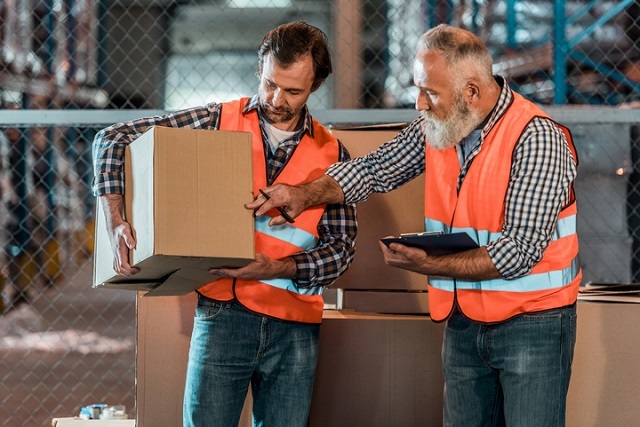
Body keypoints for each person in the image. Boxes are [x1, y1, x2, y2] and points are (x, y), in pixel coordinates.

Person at [251, 24, 581, 427]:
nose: (419, 104)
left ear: (471, 93)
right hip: (465, 319)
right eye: (417, 89)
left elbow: (519, 252)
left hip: (534, 323)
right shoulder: (442, 124)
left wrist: (428, 265)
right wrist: (302, 194)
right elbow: (375, 169)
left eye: (431, 93)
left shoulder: (537, 139)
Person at [92, 21, 357, 427]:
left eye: (293, 91)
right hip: (222, 314)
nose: (276, 99)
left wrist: (279, 268)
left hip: (295, 326)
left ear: (316, 86)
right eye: (270, 84)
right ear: (259, 70)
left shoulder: (333, 153)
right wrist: (114, 219)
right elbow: (112, 138)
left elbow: (341, 249)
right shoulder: (217, 120)